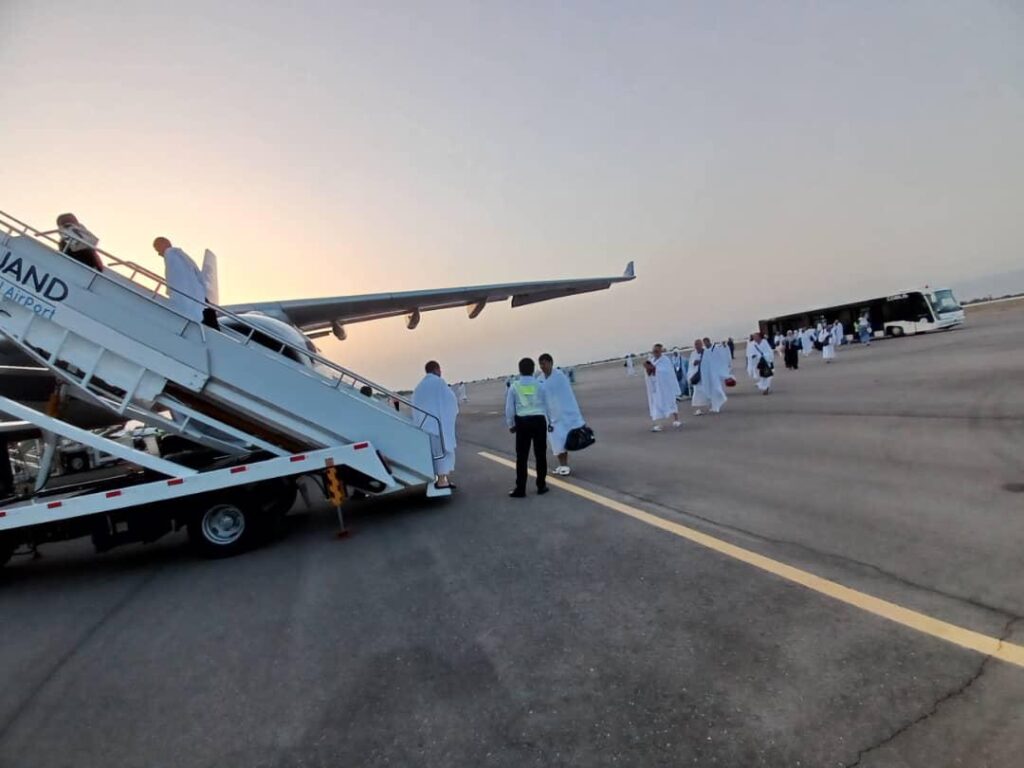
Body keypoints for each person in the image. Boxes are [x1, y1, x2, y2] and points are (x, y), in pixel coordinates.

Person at [505, 357, 549, 497]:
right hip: (539, 420)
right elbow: (547, 405)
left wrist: (511, 424)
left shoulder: (514, 386)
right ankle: (541, 485)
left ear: (520, 370)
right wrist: (551, 422)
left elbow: (509, 409)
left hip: (523, 422)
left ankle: (521, 488)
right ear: (532, 369)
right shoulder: (540, 385)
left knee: (522, 457)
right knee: (540, 455)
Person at [152, 237, 219, 329]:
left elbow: (175, 280)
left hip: (189, 299)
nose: (159, 254)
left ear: (164, 244)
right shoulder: (181, 255)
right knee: (209, 317)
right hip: (199, 296)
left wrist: (172, 293)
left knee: (204, 317)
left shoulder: (171, 255)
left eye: (158, 249)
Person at [412, 360, 459, 489]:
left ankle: (441, 479)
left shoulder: (419, 387)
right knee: (442, 453)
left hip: (425, 427)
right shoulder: (439, 383)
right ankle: (442, 481)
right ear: (436, 369)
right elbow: (450, 400)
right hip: (438, 426)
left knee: (433, 454)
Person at [538, 353, 585, 476]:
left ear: (550, 363)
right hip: (550, 417)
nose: (542, 366)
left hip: (562, 416)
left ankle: (565, 465)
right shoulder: (540, 378)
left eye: (544, 363)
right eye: (540, 364)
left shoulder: (559, 376)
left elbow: (566, 396)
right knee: (555, 442)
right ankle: (561, 464)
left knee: (562, 440)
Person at [646, 344, 681, 431]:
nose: (655, 353)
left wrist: (655, 369)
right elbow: (649, 374)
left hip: (666, 386)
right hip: (656, 387)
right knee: (657, 404)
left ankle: (676, 419)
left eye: (657, 351)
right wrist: (648, 369)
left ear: (661, 351)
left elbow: (666, 372)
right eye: (654, 351)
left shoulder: (665, 360)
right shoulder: (652, 360)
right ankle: (659, 424)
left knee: (672, 402)